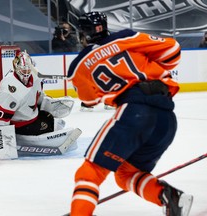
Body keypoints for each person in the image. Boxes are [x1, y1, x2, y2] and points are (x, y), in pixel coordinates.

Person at [66, 11, 193, 216]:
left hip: (134, 113)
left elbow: (89, 100)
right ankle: (169, 197)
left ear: (83, 33)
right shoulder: (127, 37)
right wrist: (151, 67)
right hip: (166, 118)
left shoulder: (78, 65)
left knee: (90, 172)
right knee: (126, 174)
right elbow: (173, 50)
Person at [0, 50, 81, 156]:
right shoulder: (10, 90)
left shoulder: (36, 77)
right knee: (51, 126)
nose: (26, 74)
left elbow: (38, 97)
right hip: (20, 125)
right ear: (16, 68)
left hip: (32, 117)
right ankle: (21, 137)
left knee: (52, 120)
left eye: (28, 70)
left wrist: (49, 104)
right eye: (23, 71)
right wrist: (4, 142)